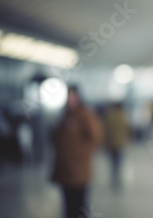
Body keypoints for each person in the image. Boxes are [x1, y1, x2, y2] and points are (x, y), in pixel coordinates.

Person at [51, 86, 103, 218]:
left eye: (72, 96)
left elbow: (95, 138)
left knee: (79, 205)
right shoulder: (65, 115)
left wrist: (79, 153)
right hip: (65, 169)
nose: (69, 100)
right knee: (68, 205)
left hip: (78, 170)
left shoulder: (84, 115)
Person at [104, 102, 130, 191]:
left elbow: (106, 130)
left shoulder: (110, 116)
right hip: (120, 144)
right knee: (119, 164)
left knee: (113, 164)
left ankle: (113, 181)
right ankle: (118, 182)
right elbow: (127, 130)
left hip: (112, 144)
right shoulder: (123, 116)